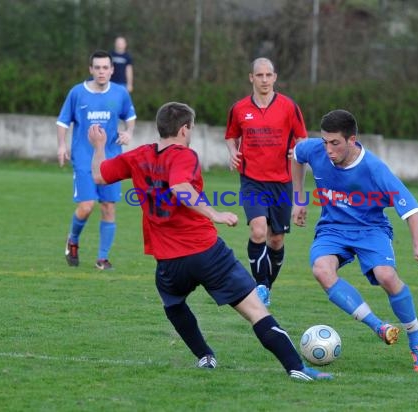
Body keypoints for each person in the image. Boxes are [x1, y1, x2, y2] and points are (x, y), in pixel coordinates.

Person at [86, 101, 332, 381]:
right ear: (184, 129)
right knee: (255, 311)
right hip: (206, 253)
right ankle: (296, 367)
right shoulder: (184, 155)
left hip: (168, 261)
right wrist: (213, 213)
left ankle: (204, 355)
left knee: (174, 305)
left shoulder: (139, 156)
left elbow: (98, 174)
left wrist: (98, 146)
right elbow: (180, 187)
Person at [291, 109, 418, 373]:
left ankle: (417, 343)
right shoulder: (316, 151)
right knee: (321, 270)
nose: (328, 149)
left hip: (371, 229)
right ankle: (378, 326)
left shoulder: (374, 169)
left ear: (352, 140)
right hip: (333, 228)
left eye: (335, 143)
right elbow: (297, 155)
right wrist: (298, 199)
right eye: (325, 142)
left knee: (386, 276)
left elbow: (410, 207)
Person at [225, 57, 308, 306]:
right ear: (251, 77)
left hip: (282, 182)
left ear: (274, 77)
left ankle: (266, 287)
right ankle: (259, 285)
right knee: (259, 230)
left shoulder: (288, 107)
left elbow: (302, 138)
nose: (264, 80)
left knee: (276, 240)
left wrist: (298, 151)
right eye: (259, 75)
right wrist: (232, 152)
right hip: (252, 181)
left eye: (268, 75)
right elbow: (231, 136)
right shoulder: (239, 108)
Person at [57, 50, 136, 270]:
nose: (101, 72)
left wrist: (128, 133)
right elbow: (63, 122)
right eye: (97, 68)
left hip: (111, 159)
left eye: (105, 68)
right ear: (91, 70)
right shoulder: (77, 93)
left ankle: (102, 258)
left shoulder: (120, 93)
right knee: (87, 206)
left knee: (109, 207)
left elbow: (130, 118)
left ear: (112, 70)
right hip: (84, 158)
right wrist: (62, 145)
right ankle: (73, 238)